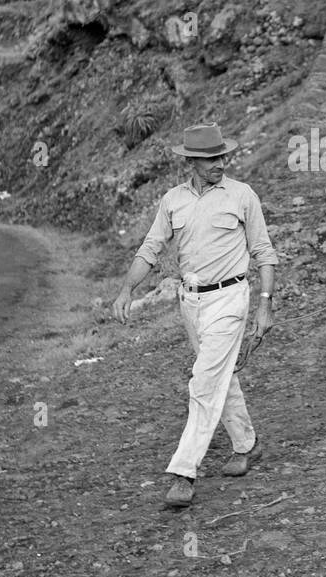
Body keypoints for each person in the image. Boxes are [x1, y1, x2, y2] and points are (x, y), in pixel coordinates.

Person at [113, 123, 278, 508]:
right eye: (210, 159)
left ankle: (184, 472)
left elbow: (264, 252)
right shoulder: (172, 200)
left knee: (203, 382)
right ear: (191, 161)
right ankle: (246, 444)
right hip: (190, 303)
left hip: (230, 300)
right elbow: (150, 248)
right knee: (221, 374)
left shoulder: (242, 196)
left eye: (222, 156)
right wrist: (126, 289)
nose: (219, 163)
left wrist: (265, 304)